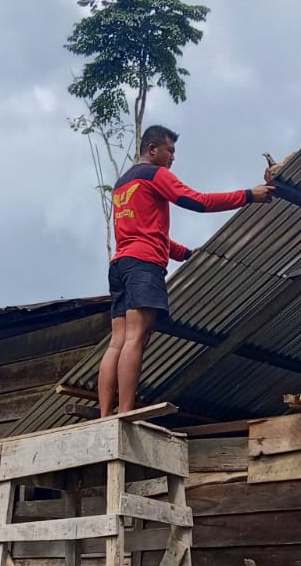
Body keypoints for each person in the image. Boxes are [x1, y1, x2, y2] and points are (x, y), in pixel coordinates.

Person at [98, 124, 276, 416]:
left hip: (121, 264)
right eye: (170, 150)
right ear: (152, 149)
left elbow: (147, 231)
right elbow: (199, 202)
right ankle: (125, 413)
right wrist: (248, 195)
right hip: (144, 265)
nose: (173, 158)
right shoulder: (155, 175)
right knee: (136, 337)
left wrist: (186, 254)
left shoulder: (123, 184)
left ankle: (106, 414)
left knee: (118, 340)